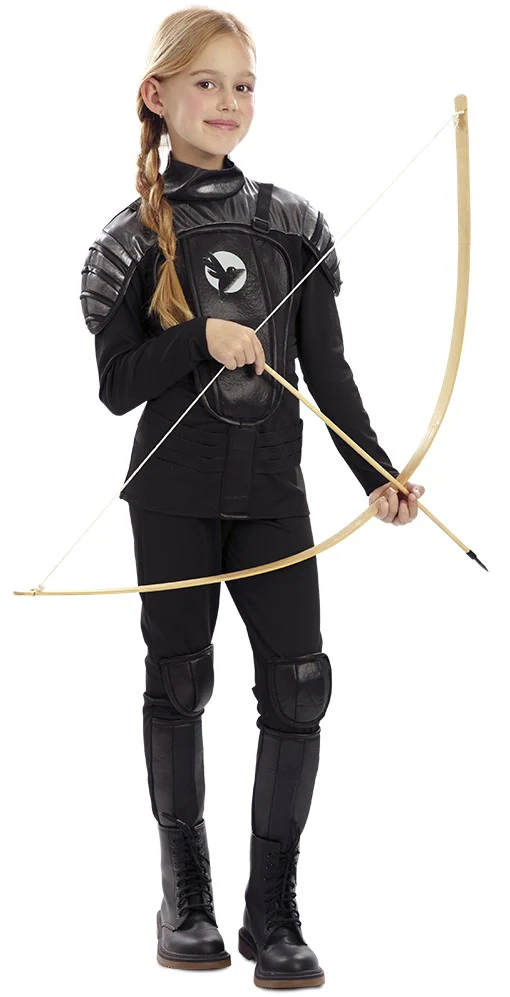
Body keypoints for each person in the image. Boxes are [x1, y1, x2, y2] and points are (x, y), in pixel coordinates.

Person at [80, 6, 425, 989]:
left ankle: (273, 911)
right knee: (178, 681)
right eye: (206, 82)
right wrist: (200, 337)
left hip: (274, 494)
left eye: (243, 85)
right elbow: (117, 387)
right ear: (157, 96)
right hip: (174, 498)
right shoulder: (128, 239)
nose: (228, 101)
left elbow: (328, 371)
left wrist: (377, 473)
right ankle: (183, 898)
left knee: (300, 685)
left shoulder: (292, 222)